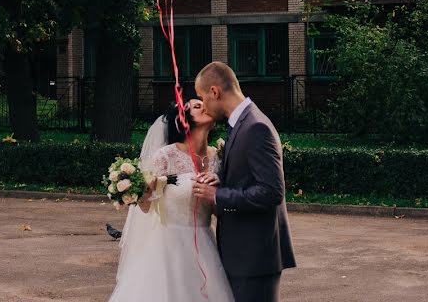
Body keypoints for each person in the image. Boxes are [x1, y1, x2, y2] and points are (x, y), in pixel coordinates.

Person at [108, 99, 234, 302]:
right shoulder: (166, 156)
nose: (204, 106)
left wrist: (216, 192)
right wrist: (143, 191)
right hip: (168, 247)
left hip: (204, 243)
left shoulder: (218, 157)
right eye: (196, 106)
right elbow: (146, 208)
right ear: (183, 120)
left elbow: (220, 210)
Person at [192, 61, 296, 302]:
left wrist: (217, 196)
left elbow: (271, 191)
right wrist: (221, 181)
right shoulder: (242, 124)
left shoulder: (256, 127)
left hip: (255, 258)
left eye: (202, 97)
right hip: (243, 256)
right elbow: (248, 178)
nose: (204, 106)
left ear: (215, 92)